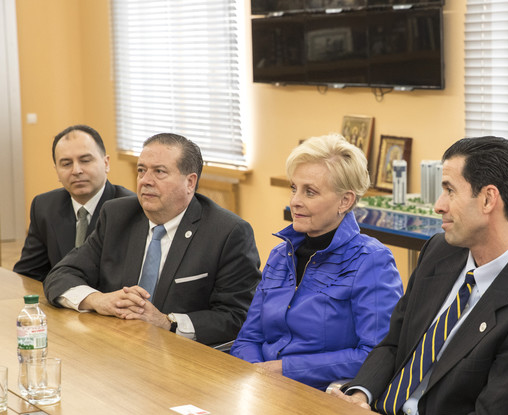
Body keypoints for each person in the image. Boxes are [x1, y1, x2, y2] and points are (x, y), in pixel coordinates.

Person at [331, 136, 508, 415]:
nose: (438, 205)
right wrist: (360, 395)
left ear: (488, 199)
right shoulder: (440, 251)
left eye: (449, 190)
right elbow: (394, 344)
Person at [43, 133, 261, 346]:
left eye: (159, 172)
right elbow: (60, 275)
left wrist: (166, 322)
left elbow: (237, 316)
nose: (145, 181)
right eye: (141, 170)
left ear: (190, 182)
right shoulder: (118, 216)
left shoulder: (227, 232)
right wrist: (99, 300)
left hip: (181, 355)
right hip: (116, 344)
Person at [230, 134, 403, 390]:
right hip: (260, 387)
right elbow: (248, 338)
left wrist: (284, 369)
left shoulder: (371, 260)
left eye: (309, 192)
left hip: (322, 396)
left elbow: (376, 354)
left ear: (345, 201)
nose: (295, 201)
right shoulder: (280, 255)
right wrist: (258, 374)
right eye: (294, 188)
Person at [14, 124, 134, 281]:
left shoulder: (129, 209)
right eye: (66, 164)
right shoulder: (44, 206)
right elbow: (29, 273)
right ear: (57, 171)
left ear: (106, 163)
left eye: (85, 160)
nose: (76, 170)